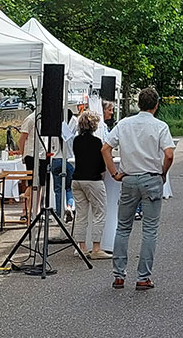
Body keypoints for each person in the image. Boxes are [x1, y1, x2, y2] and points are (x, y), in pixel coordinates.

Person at [102, 87, 175, 291]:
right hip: (151, 178)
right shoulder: (160, 126)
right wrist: (163, 173)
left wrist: (115, 173)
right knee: (149, 230)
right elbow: (169, 154)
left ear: (139, 104)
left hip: (129, 178)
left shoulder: (124, 123)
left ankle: (118, 274)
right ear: (156, 105)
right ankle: (143, 277)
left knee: (123, 227)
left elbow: (105, 148)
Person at [71, 110, 109, 259]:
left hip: (77, 179)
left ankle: (81, 247)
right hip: (93, 180)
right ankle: (96, 248)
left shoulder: (76, 141)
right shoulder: (97, 142)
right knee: (99, 212)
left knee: (81, 214)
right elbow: (101, 163)